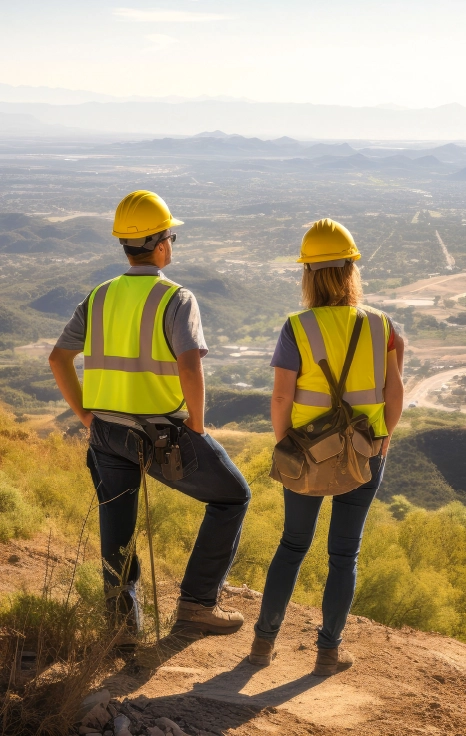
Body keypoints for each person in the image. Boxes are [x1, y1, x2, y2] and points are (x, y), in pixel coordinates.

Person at [49, 190, 250, 645]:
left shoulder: (99, 296)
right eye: (171, 237)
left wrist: (85, 414)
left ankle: (122, 629)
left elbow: (59, 359)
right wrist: (197, 425)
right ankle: (198, 605)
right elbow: (190, 366)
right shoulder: (176, 298)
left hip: (105, 432)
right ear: (160, 245)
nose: (172, 244)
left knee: (116, 526)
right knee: (233, 497)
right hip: (162, 432)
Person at [248, 218, 404, 676]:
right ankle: (328, 651)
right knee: (344, 554)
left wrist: (285, 446)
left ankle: (262, 644)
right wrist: (384, 439)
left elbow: (281, 396)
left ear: (309, 275)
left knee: (293, 545)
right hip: (365, 451)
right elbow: (395, 393)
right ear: (351, 271)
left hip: (306, 455)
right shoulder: (382, 326)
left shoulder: (296, 327)